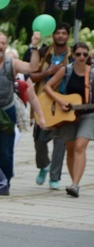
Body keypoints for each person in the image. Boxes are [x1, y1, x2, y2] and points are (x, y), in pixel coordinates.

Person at [0, 31, 41, 190]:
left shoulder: (11, 63)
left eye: (3, 43)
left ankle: (3, 183)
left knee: (5, 151)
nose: (0, 46)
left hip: (5, 111)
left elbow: (32, 67)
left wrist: (34, 46)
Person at [43, 42, 93, 198]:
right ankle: (74, 182)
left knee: (80, 146)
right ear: (73, 55)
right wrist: (59, 101)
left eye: (85, 54)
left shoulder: (91, 73)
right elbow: (48, 87)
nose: (82, 57)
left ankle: (75, 184)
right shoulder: (67, 70)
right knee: (70, 149)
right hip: (69, 115)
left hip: (89, 113)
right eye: (78, 54)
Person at [30, 22, 73, 190]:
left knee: (60, 143)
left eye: (64, 33)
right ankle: (43, 165)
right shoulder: (44, 53)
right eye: (58, 33)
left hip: (64, 102)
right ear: (53, 35)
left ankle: (55, 178)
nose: (61, 35)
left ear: (68, 36)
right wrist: (48, 72)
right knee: (39, 140)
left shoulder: (73, 54)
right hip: (43, 102)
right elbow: (32, 76)